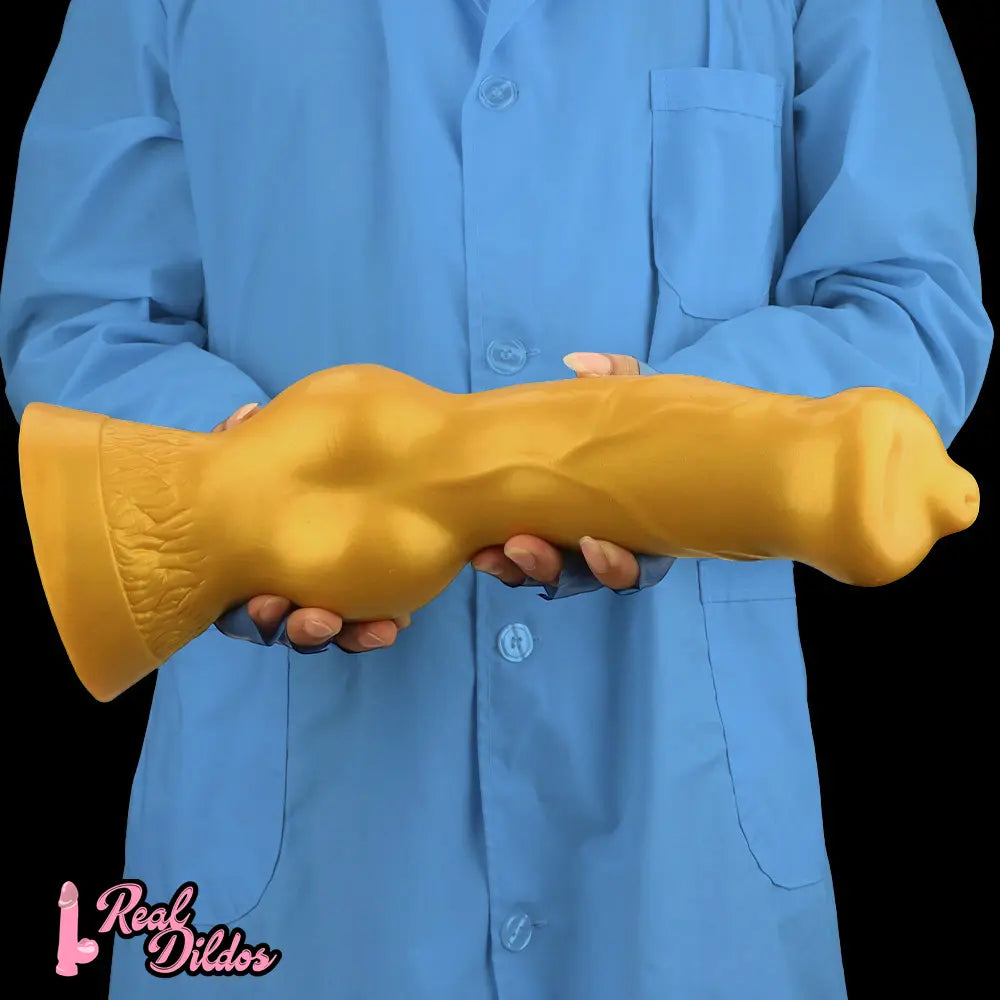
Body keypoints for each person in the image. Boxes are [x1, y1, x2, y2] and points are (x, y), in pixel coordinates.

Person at [0, 1, 991, 997]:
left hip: (684, 850)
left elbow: (906, 307)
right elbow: (86, 322)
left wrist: (675, 450)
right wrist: (242, 487)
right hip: (298, 860)